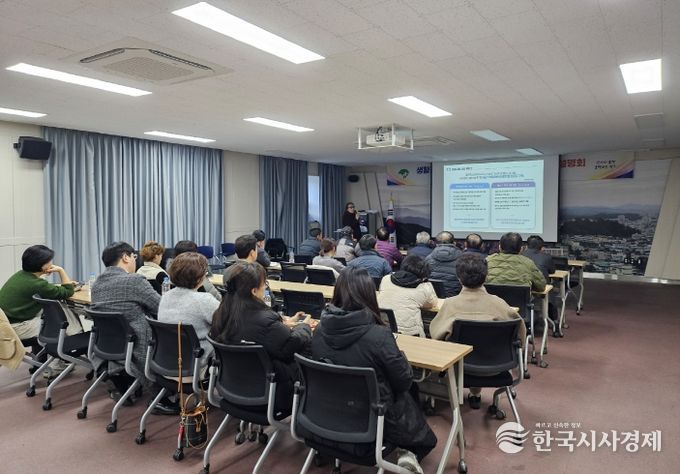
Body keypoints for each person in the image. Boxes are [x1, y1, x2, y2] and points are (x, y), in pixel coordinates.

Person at [312, 267, 437, 473]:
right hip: (372, 421)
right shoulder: (378, 336)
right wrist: (400, 356)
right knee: (407, 390)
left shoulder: (319, 330)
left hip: (326, 416)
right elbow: (404, 381)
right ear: (370, 294)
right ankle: (408, 450)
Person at [210, 262, 313, 410]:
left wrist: (282, 324)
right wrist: (304, 327)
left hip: (230, 387)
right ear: (253, 291)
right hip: (271, 394)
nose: (265, 287)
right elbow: (291, 345)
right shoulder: (265, 320)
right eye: (264, 284)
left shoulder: (220, 314)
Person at [430, 253, 526, 409]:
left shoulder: (450, 304)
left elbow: (436, 336)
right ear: (486, 276)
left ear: (459, 278)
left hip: (460, 367)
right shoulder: (500, 304)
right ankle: (475, 394)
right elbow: (520, 337)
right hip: (497, 367)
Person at [90, 242, 169, 410]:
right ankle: (164, 393)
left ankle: (122, 379)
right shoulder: (134, 281)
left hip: (109, 345)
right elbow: (160, 307)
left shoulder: (97, 284)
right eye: (134, 257)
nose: (135, 261)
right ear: (125, 257)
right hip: (138, 344)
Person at [0, 245, 77, 342]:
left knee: (56, 310)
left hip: (6, 323)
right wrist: (61, 270)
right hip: (16, 328)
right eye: (49, 261)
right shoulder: (37, 284)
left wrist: (66, 284)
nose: (52, 263)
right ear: (42, 265)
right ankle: (77, 337)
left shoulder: (20, 275)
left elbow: (43, 288)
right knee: (62, 311)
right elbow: (68, 291)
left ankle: (75, 336)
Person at [158, 252, 219, 367]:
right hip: (198, 364)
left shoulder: (166, 296)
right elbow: (229, 324)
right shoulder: (204, 300)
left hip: (165, 361)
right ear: (199, 277)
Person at [378, 255, 438, 337]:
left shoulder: (386, 279)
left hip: (383, 329)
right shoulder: (423, 287)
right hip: (411, 334)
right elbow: (432, 303)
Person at [425, 231, 463, 297]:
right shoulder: (462, 258)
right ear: (454, 243)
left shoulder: (428, 258)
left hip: (434, 296)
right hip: (455, 295)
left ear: (436, 243)